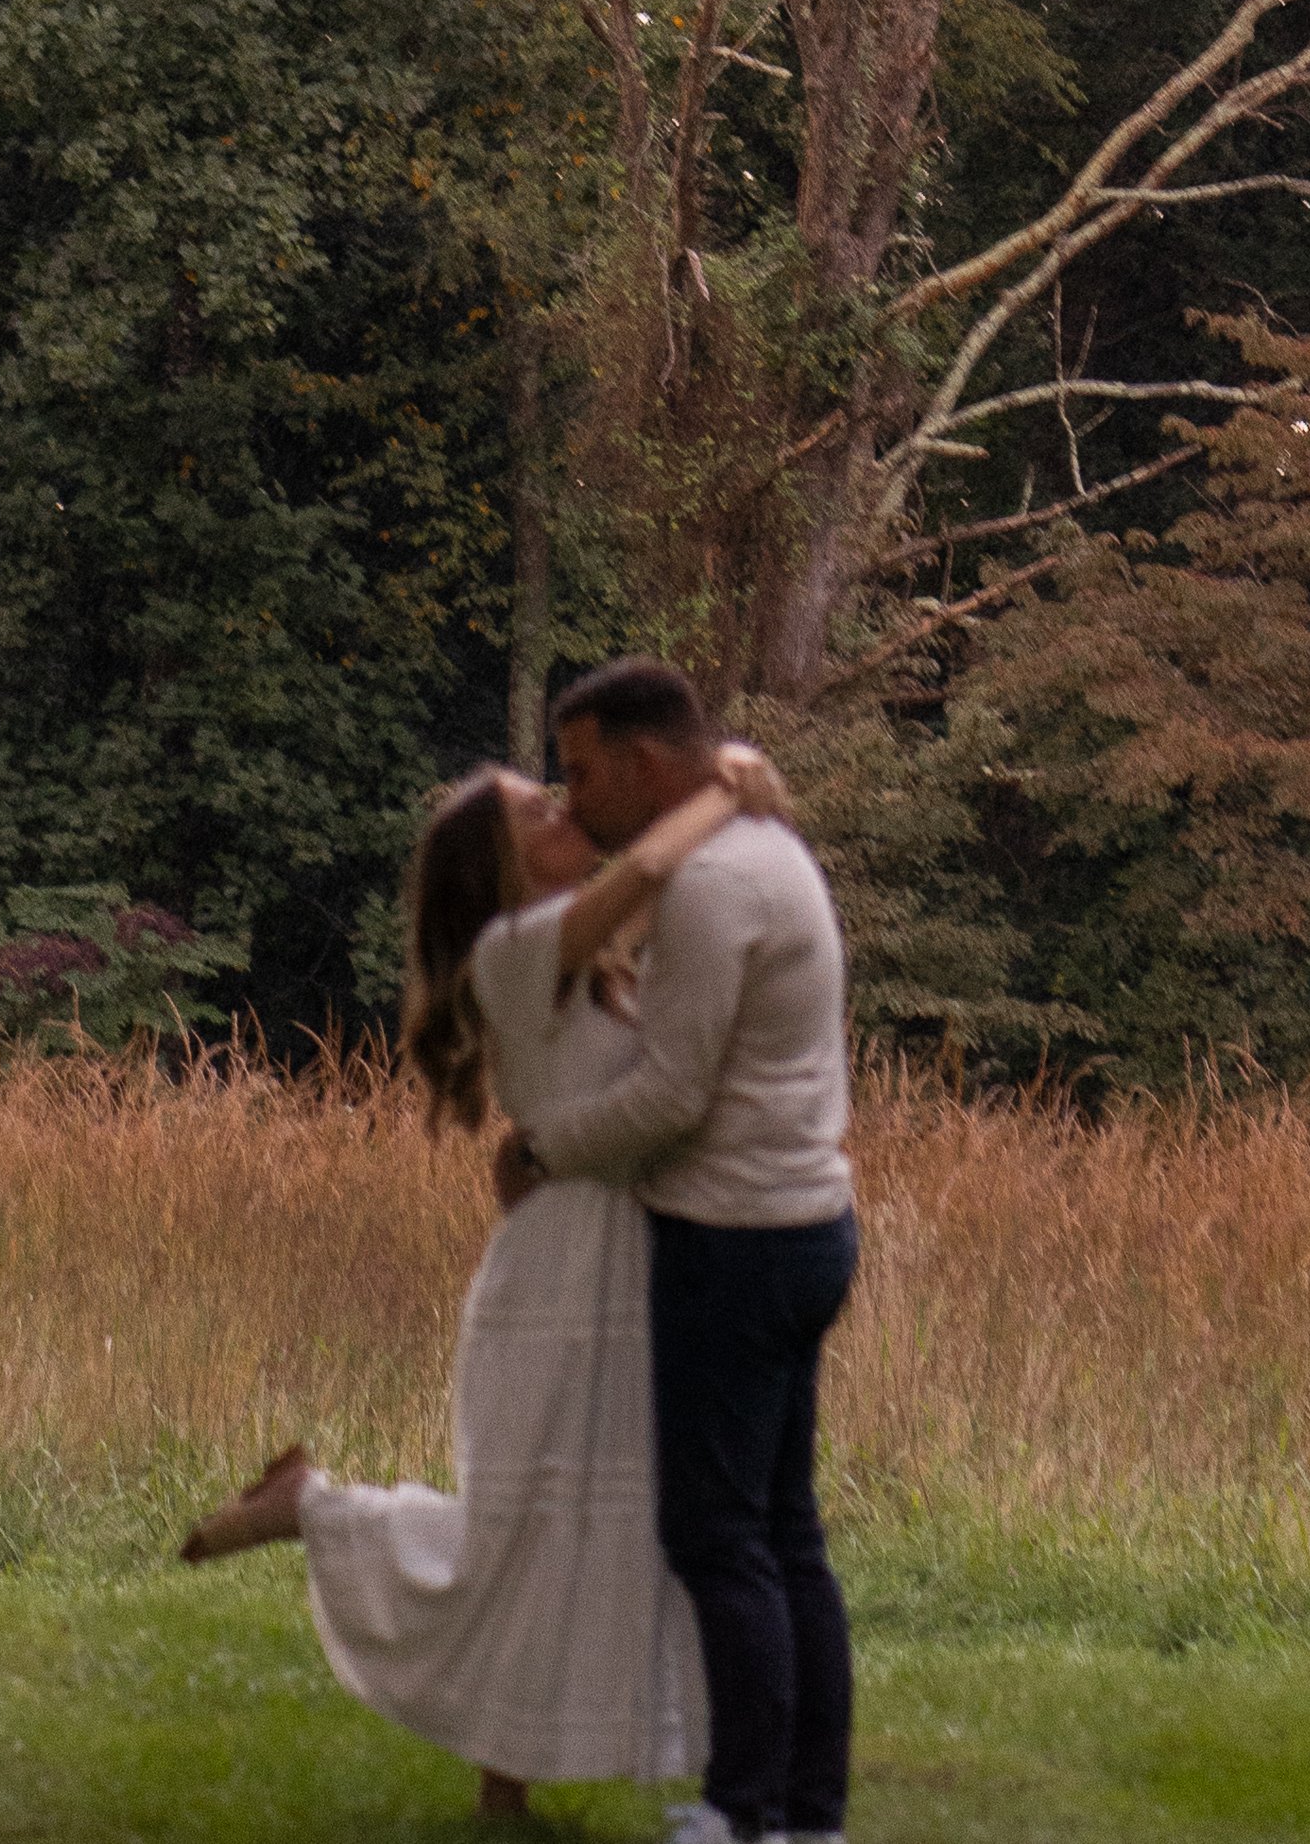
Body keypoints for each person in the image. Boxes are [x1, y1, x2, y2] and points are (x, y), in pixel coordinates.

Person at [179, 737, 788, 1820]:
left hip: (627, 1269)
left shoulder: (591, 957)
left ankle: (524, 1791)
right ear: (500, 870)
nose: (562, 810)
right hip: (556, 1282)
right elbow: (654, 866)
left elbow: (683, 911)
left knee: (604, 1524)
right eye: (534, 812)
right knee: (524, 1527)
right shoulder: (516, 949)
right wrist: (724, 788)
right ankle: (318, 1509)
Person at [500, 656, 857, 1844]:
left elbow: (671, 1095)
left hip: (735, 1238)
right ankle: (808, 1813)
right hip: (807, 1222)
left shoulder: (712, 883)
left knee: (721, 1536)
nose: (574, 795)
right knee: (786, 1531)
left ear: (646, 759)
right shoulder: (770, 850)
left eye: (583, 770)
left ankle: (744, 1810)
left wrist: (542, 1147)